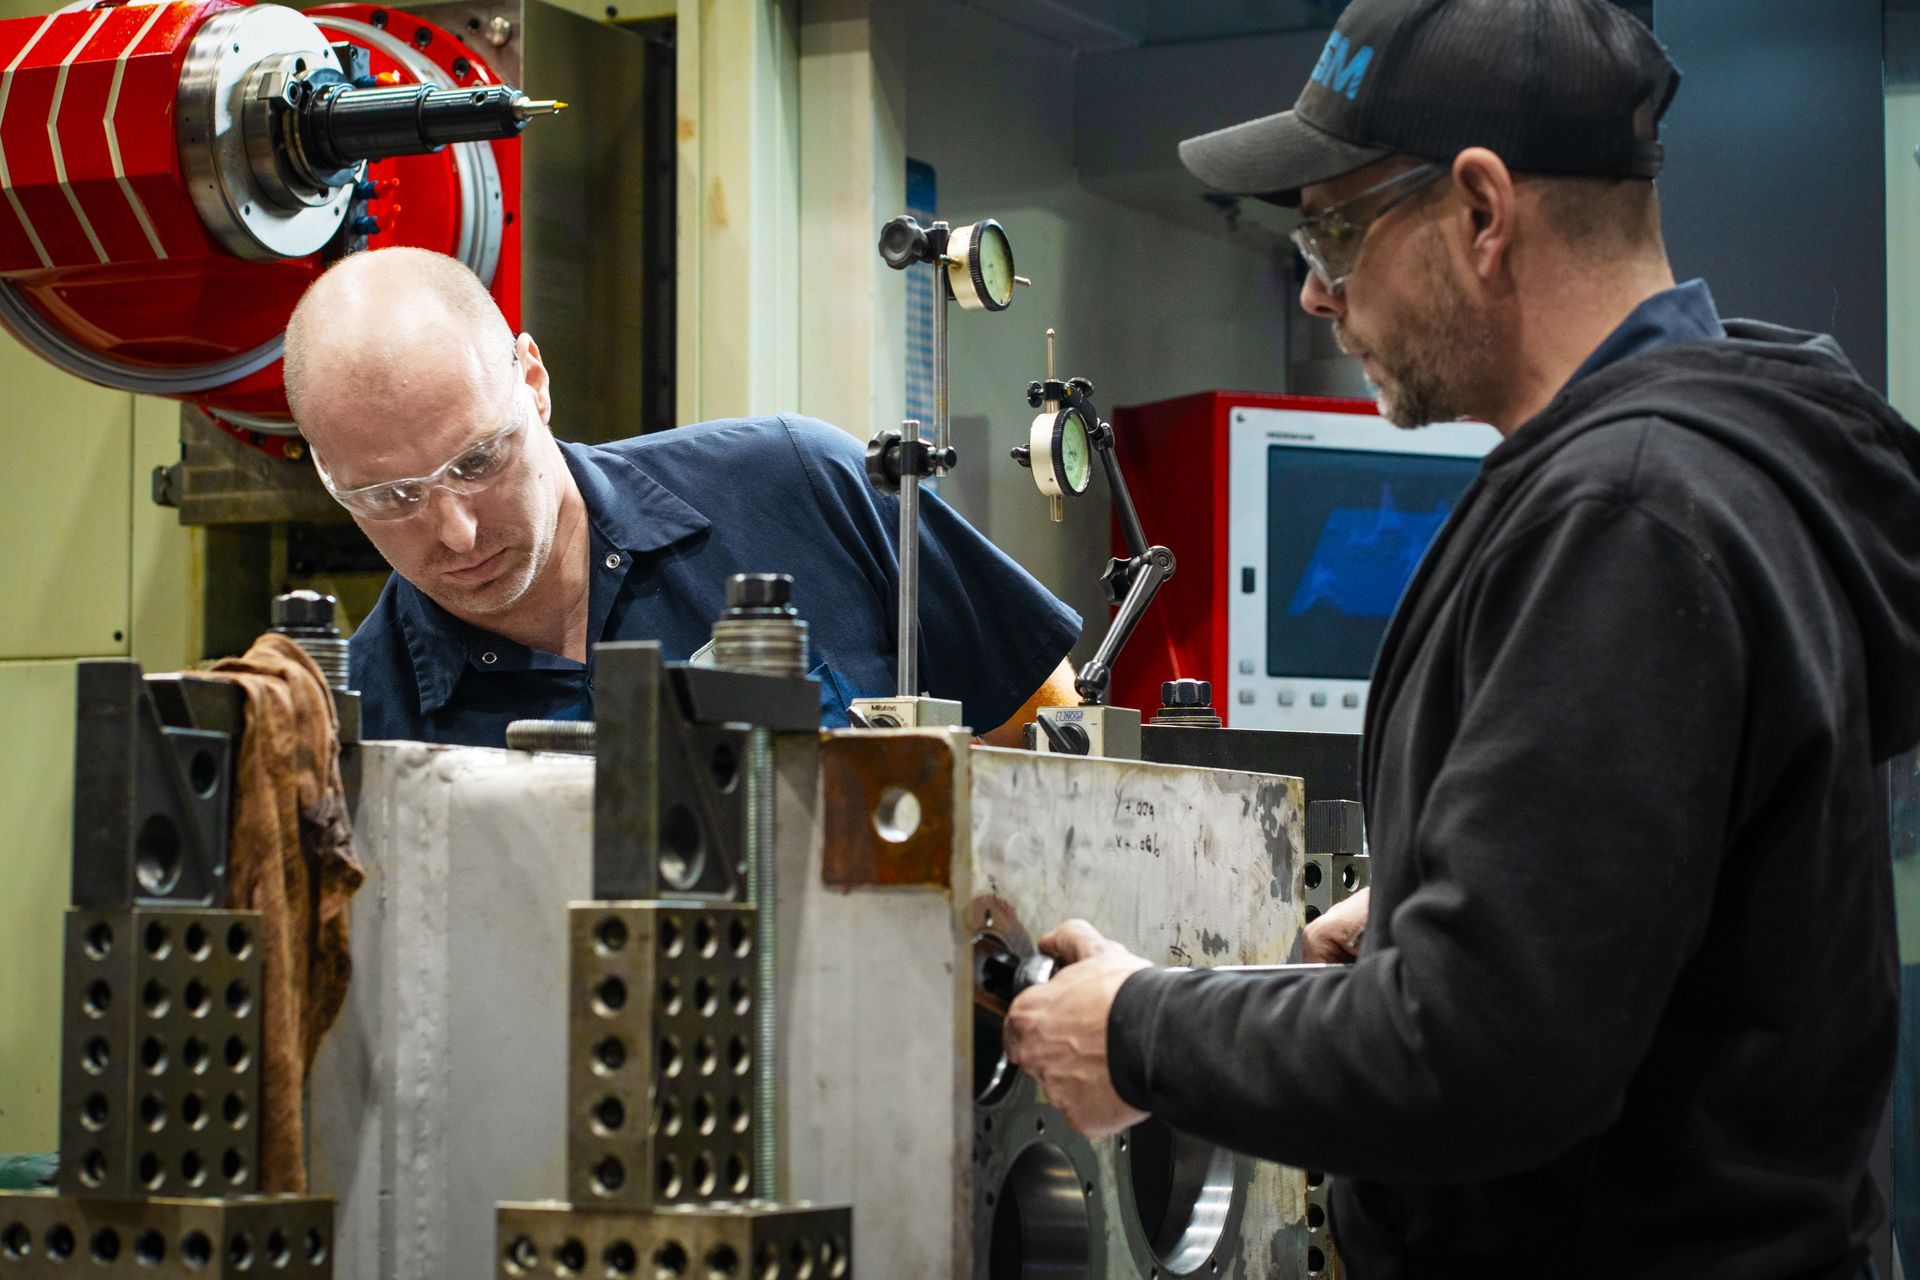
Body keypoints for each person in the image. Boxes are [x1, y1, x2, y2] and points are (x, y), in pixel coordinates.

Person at [1004, 0, 1920, 1276]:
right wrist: (1469, 884)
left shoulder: (1631, 514)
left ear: (1484, 213)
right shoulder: (1710, 470)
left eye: (1334, 226)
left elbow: (1477, 1060)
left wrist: (1140, 1032)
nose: (1319, 291)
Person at [282, 247, 1081, 746]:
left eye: (478, 460)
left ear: (533, 380)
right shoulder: (360, 723)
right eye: (389, 498)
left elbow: (1040, 717)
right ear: (328, 478)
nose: (454, 532)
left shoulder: (800, 485)